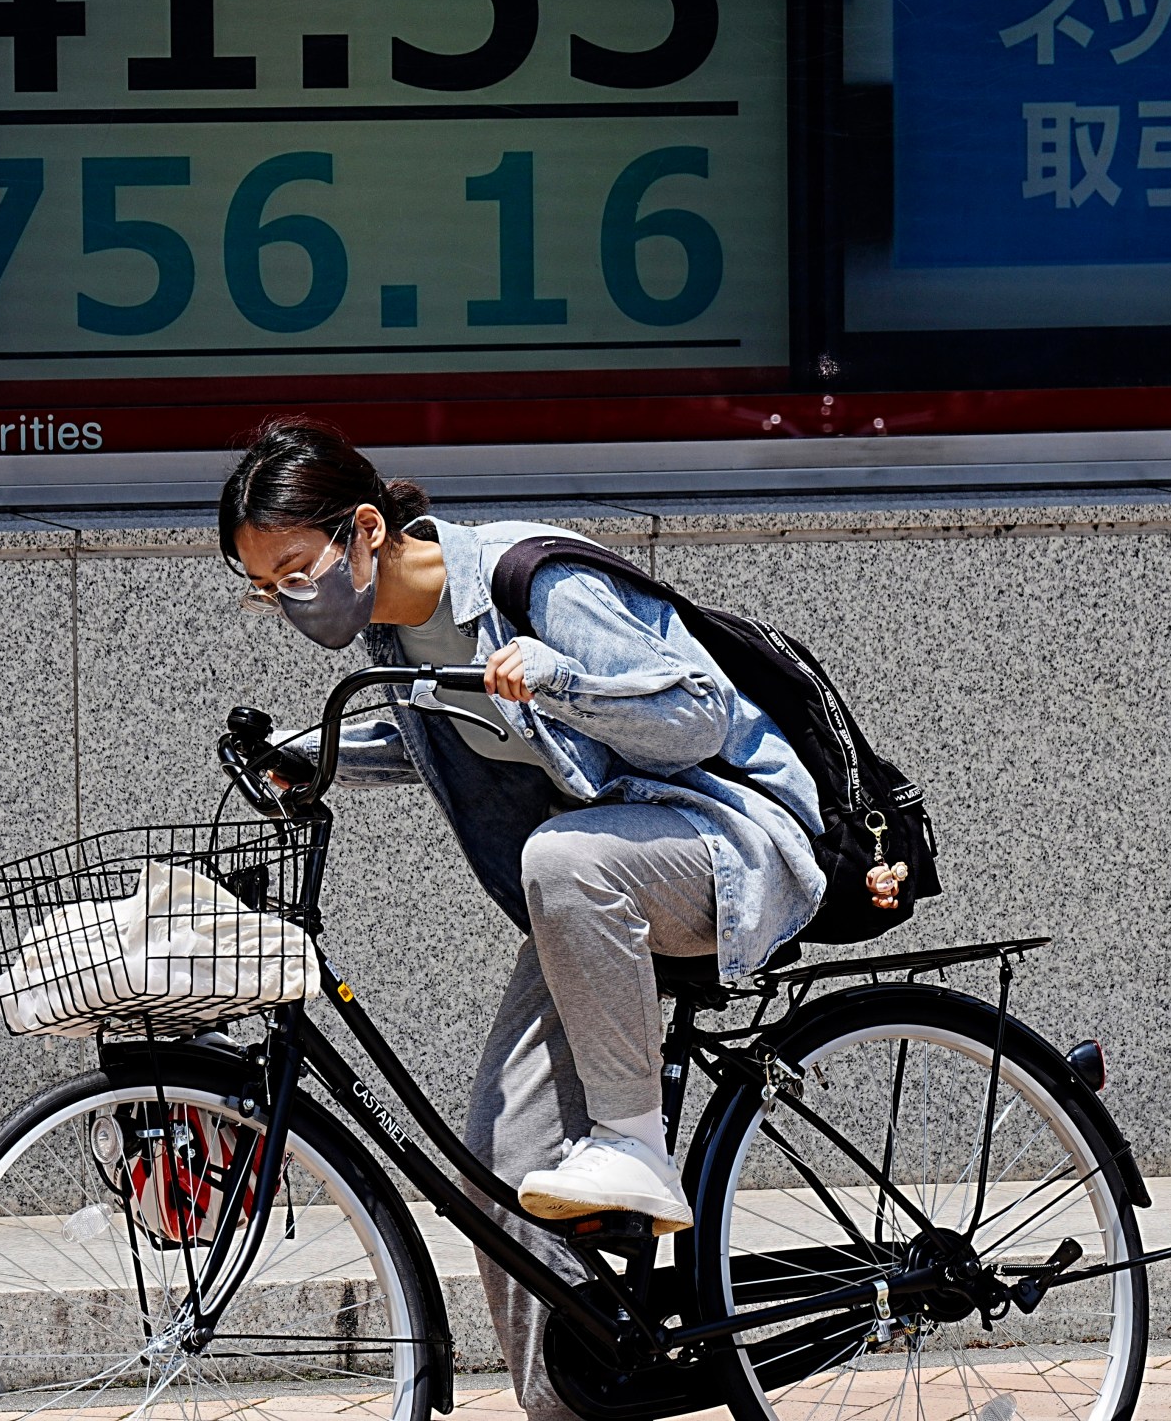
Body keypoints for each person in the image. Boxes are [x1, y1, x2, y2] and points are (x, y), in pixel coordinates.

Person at [217, 418, 831, 1421]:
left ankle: (636, 1147)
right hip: (596, 887)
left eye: (296, 571)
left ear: (365, 529)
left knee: (562, 856)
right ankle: (565, 1405)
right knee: (500, 1166)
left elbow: (698, 715)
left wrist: (560, 679)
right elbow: (453, 731)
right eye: (265, 587)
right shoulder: (395, 631)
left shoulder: (531, 582)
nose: (289, 601)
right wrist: (309, 754)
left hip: (733, 845)